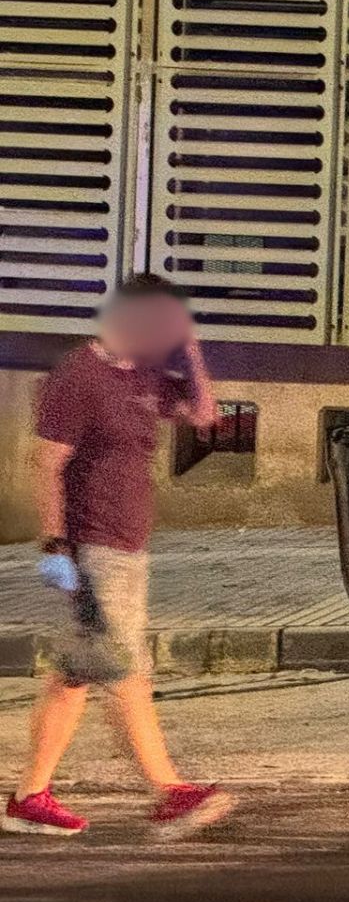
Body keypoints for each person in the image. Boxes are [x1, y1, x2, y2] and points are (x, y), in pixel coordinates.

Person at [4, 275, 234, 837]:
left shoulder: (144, 374)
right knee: (125, 667)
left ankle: (30, 796)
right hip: (93, 545)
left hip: (128, 547)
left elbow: (204, 415)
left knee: (78, 672)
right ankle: (168, 790)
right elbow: (46, 463)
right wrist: (55, 546)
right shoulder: (79, 375)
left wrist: (192, 354)